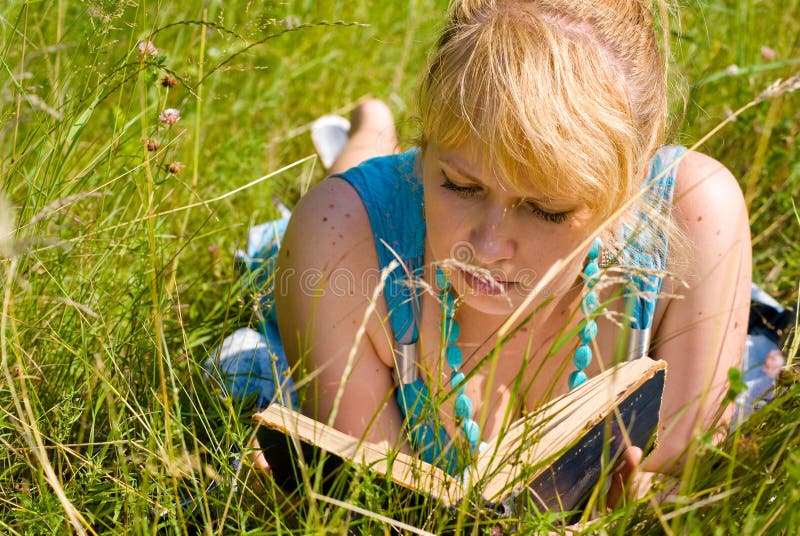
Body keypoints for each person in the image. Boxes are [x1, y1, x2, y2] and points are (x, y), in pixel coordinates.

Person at [216, 0, 752, 508]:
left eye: (547, 210)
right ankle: (372, 130)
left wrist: (631, 503)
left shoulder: (696, 214)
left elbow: (686, 477)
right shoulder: (343, 238)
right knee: (328, 211)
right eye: (460, 185)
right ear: (427, 147)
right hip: (365, 233)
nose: (488, 247)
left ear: (633, 180)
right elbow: (379, 503)